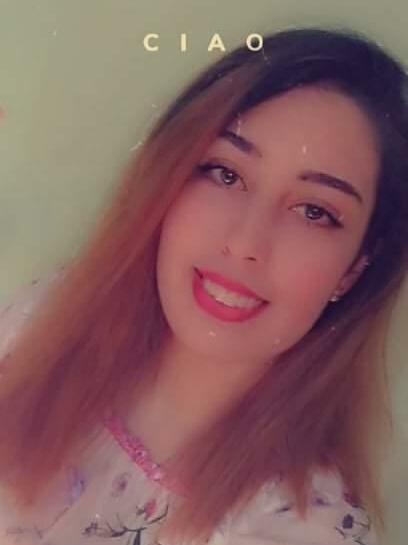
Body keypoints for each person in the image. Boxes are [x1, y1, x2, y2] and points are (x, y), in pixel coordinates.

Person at [0, 25, 407, 545]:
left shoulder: (304, 528)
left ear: (354, 269)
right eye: (225, 174)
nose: (245, 242)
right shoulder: (44, 321)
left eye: (314, 211)